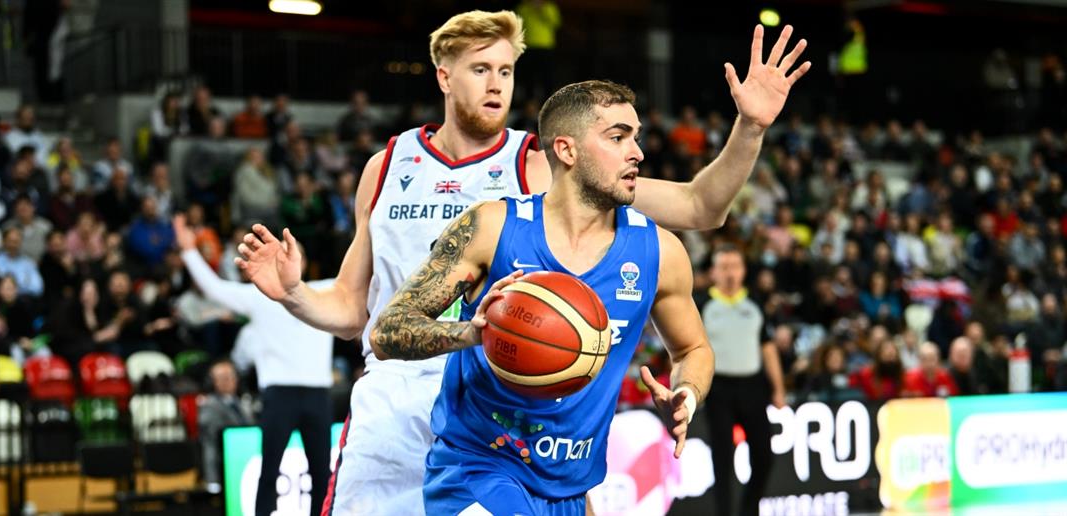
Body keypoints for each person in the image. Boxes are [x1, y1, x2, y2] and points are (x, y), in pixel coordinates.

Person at [235, 13, 809, 514]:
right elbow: (356, 311)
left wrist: (750, 128)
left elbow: (699, 205)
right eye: (481, 69)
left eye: (507, 71)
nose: (497, 84)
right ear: (444, 76)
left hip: (510, 396)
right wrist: (293, 294)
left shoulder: (540, 162)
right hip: (398, 396)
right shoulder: (386, 166)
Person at [367, 80, 714, 514]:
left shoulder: (659, 252)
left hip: (569, 486)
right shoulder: (492, 227)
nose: (637, 153)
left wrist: (687, 393)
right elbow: (386, 331)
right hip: (478, 471)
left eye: (636, 137)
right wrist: (472, 334)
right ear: (566, 150)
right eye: (618, 137)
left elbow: (693, 349)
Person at [175, 216, 335, 516]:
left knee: (322, 475)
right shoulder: (261, 297)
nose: (290, 258)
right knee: (269, 470)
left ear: (303, 261)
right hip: (278, 394)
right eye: (283, 253)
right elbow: (214, 288)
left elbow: (364, 275)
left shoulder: (326, 291)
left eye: (295, 253)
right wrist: (189, 252)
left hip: (318, 395)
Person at [696, 245, 784, 516]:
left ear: (744, 270)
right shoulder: (702, 304)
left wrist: (779, 389)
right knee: (722, 459)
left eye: (735, 266)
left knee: (764, 455)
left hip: (753, 386)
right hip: (718, 388)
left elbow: (768, 348)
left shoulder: (755, 303)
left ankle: (749, 510)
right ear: (713, 272)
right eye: (724, 267)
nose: (730, 273)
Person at [197, 359, 253, 487]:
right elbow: (211, 442)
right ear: (213, 382)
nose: (228, 381)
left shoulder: (242, 403)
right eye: (223, 377)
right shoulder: (209, 406)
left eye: (231, 376)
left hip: (246, 461)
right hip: (223, 464)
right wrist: (212, 480)